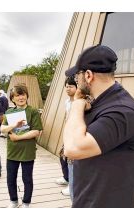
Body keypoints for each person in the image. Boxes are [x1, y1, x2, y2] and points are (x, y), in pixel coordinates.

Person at [63, 45, 134, 208]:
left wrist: (76, 104)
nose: (75, 80)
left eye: (77, 76)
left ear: (88, 75)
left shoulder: (122, 112)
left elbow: (72, 148)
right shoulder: (100, 103)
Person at [1, 85, 43, 208]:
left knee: (27, 179)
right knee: (10, 178)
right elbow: (2, 129)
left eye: (23, 94)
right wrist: (14, 125)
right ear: (12, 99)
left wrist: (17, 137)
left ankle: (26, 202)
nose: (21, 97)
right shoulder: (9, 112)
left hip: (27, 151)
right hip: (12, 151)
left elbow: (36, 131)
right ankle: (13, 201)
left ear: (27, 96)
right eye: (17, 95)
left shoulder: (33, 111)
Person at [56, 70, 77, 200]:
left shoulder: (79, 102)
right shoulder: (67, 102)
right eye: (67, 86)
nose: (68, 88)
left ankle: (72, 186)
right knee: (62, 155)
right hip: (68, 133)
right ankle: (66, 178)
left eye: (71, 86)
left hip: (76, 135)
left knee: (71, 160)